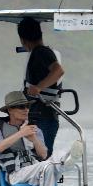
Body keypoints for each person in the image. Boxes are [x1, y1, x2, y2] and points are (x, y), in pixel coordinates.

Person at [0, 90, 70, 186]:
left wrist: (33, 138)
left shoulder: (35, 130)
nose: (26, 109)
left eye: (28, 106)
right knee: (48, 166)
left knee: (57, 158)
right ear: (10, 110)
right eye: (21, 107)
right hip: (15, 174)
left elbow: (43, 155)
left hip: (34, 170)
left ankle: (64, 161)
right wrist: (20, 133)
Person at [17, 17, 65, 155]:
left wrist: (39, 87)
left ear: (22, 39)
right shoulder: (40, 52)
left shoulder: (41, 52)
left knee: (42, 155)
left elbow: (58, 70)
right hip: (38, 114)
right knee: (37, 154)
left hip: (44, 116)